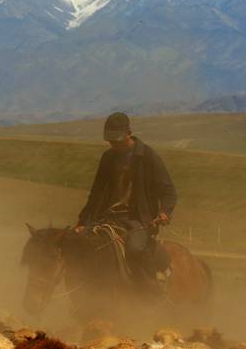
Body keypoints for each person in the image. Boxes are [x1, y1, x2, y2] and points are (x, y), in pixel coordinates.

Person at [74, 112, 177, 288]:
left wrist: (164, 212)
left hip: (138, 220)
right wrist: (82, 222)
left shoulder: (147, 156)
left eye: (117, 140)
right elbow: (96, 194)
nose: (113, 145)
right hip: (107, 218)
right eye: (110, 141)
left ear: (129, 133)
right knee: (79, 245)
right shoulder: (108, 158)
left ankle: (151, 290)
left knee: (135, 249)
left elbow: (169, 191)